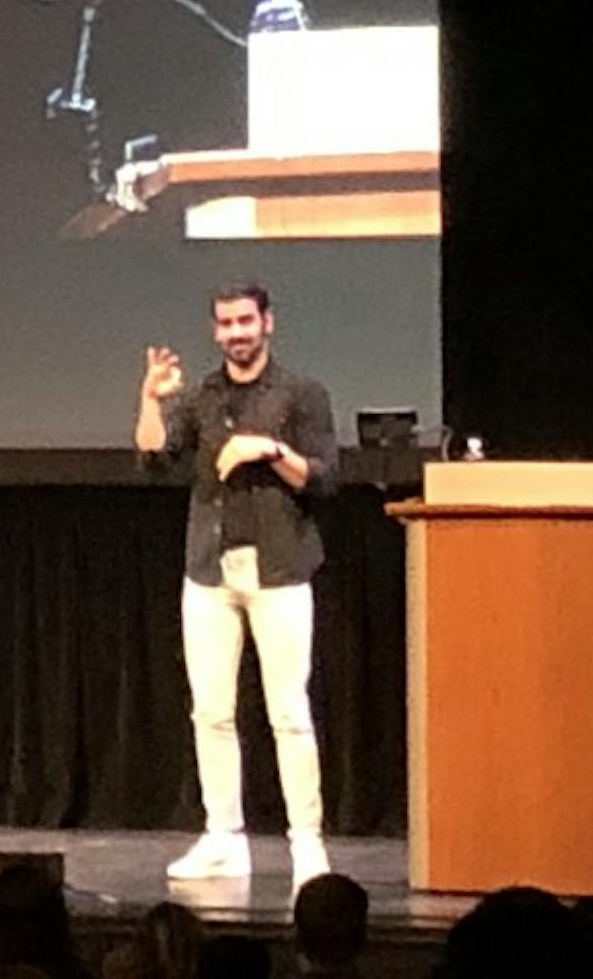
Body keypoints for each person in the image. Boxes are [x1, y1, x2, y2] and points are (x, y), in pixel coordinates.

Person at [134, 281, 338, 890]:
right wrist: (148, 399)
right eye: (225, 324)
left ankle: (307, 845)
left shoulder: (301, 393)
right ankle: (224, 838)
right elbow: (154, 457)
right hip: (210, 570)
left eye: (245, 321)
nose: (236, 334)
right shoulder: (202, 395)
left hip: (279, 569)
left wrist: (266, 447)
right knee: (211, 712)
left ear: (267, 323)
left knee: (288, 714)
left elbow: (323, 478)